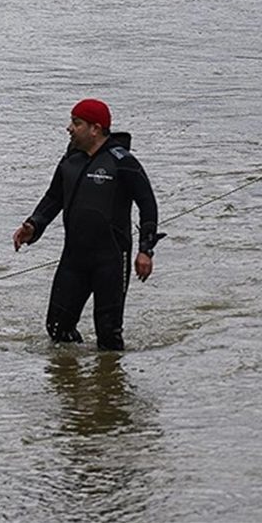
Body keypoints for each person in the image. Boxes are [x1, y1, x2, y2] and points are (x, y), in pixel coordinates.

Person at [12, 98, 163, 351]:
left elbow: (148, 204)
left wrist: (145, 250)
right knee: (57, 329)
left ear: (96, 128)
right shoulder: (70, 160)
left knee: (108, 336)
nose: (69, 128)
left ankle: (110, 387)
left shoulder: (122, 161)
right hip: (74, 258)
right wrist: (33, 226)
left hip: (112, 259)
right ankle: (76, 382)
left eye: (76, 122)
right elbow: (53, 197)